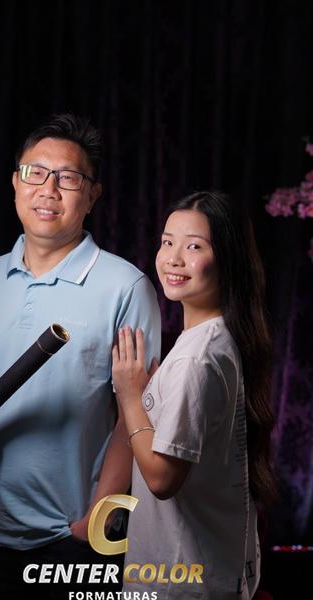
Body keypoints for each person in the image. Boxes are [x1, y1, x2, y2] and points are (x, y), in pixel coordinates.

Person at [0, 113, 161, 599]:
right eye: (35, 172)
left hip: (74, 534)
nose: (48, 189)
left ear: (92, 195)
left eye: (68, 178)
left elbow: (139, 412)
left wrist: (97, 517)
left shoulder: (125, 286)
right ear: (16, 183)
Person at [112, 191, 276, 600]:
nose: (173, 258)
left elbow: (162, 478)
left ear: (227, 259)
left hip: (179, 582)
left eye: (194, 246)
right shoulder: (215, 339)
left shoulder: (196, 358)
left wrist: (130, 397)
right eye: (167, 242)